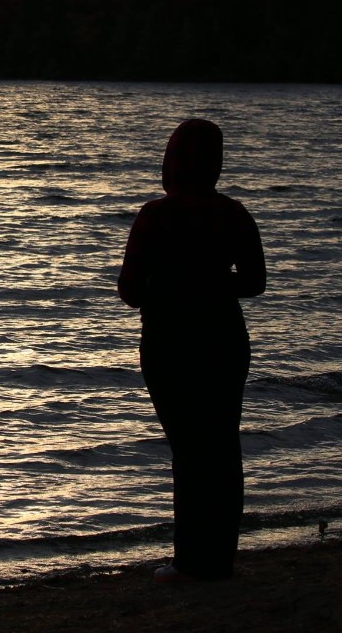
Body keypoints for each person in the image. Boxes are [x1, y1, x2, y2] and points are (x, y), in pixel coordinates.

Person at [118, 119, 266, 582]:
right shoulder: (233, 213)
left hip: (171, 341)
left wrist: (172, 283)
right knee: (221, 446)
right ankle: (219, 559)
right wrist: (213, 280)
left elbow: (130, 290)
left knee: (190, 448)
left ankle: (190, 562)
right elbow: (255, 282)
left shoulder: (155, 216)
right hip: (223, 337)